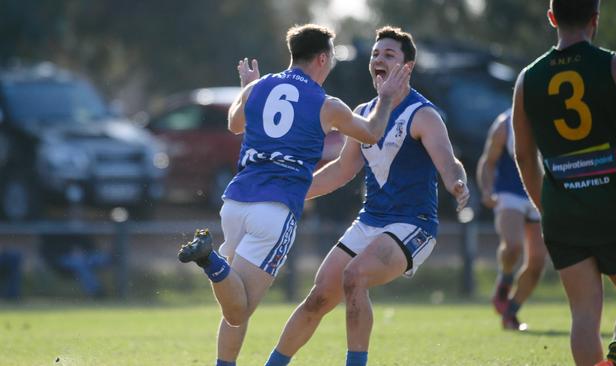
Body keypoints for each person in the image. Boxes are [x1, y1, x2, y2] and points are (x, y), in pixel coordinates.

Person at [177, 24, 411, 366]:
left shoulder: (259, 86)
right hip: (274, 210)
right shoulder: (326, 104)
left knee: (234, 303)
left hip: (235, 202)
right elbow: (372, 133)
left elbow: (234, 124)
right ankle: (209, 260)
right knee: (239, 309)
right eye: (330, 58)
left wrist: (246, 90)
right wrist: (387, 96)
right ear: (321, 58)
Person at [263, 26, 469, 366]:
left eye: (389, 55)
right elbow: (343, 170)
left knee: (354, 276)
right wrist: (295, 191)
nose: (379, 60)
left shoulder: (423, 114)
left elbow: (449, 162)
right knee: (318, 297)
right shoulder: (364, 113)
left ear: (408, 67)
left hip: (412, 226)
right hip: (370, 221)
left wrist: (457, 182)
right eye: (376, 55)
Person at [512, 1, 616, 365]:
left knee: (584, 316)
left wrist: (549, 209)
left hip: (562, 214)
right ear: (596, 19)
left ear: (552, 18)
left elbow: (524, 158)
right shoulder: (615, 64)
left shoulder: (528, 78)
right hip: (614, 208)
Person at [477, 108, 547, 331]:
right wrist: (487, 189)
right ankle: (504, 282)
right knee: (513, 246)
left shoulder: (553, 117)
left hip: (541, 195)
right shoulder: (504, 125)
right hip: (509, 194)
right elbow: (488, 162)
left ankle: (511, 312)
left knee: (537, 263)